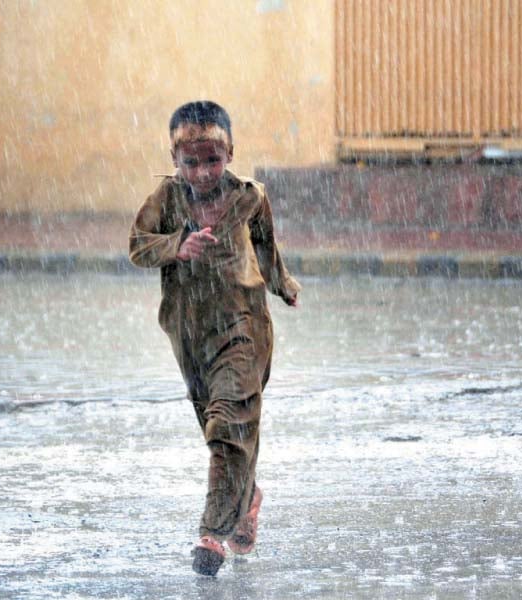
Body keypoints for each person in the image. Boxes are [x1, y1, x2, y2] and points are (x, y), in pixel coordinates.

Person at [128, 100, 300, 576]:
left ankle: (212, 534)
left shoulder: (249, 196)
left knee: (229, 422)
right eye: (190, 161)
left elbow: (265, 242)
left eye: (212, 160)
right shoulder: (166, 200)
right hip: (188, 331)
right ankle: (247, 498)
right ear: (174, 159)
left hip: (243, 327)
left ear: (229, 153)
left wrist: (282, 284)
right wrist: (175, 246)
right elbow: (137, 246)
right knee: (219, 428)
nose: (202, 171)